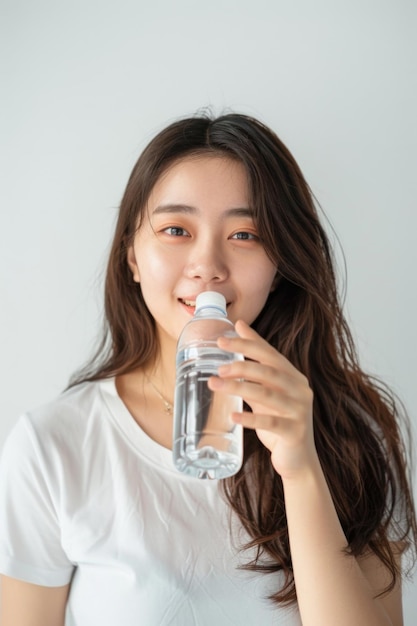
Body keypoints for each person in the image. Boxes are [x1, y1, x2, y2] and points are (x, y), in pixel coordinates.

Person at [0, 112, 416, 626]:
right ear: (131, 255)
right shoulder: (53, 446)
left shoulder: (351, 432)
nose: (208, 264)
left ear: (281, 263)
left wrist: (303, 468)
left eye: (245, 235)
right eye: (176, 229)